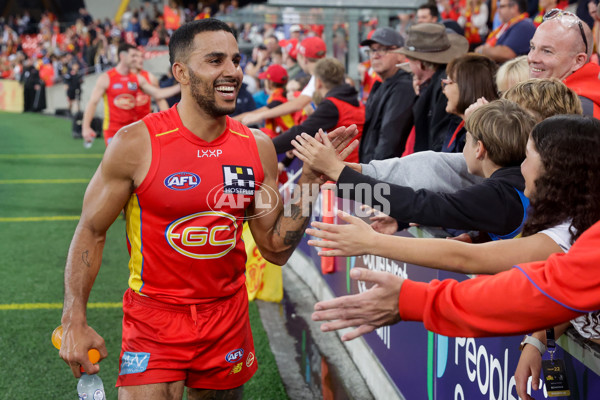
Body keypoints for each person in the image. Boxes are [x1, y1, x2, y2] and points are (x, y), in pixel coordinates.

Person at [58, 19, 356, 400]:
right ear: (180, 72)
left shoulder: (258, 146)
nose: (232, 71)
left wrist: (309, 182)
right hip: (155, 317)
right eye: (215, 60)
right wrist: (73, 318)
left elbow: (275, 248)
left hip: (227, 317)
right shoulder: (136, 143)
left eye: (236, 60)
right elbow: (91, 230)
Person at [307, 117, 600, 400]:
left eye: (528, 156)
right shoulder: (569, 214)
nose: (522, 167)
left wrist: (373, 240)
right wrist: (538, 340)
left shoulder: (503, 195)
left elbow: (459, 250)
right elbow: (565, 288)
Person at [293, 99, 536, 239]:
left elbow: (421, 205)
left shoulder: (498, 194)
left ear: (479, 149)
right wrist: (339, 172)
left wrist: (340, 173)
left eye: (467, 139)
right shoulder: (511, 184)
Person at [81, 43, 180, 146]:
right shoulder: (106, 78)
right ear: (122, 56)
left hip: (136, 128)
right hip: (113, 130)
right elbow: (93, 102)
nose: (137, 59)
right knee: (116, 161)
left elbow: (158, 94)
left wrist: (180, 87)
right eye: (133, 56)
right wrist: (85, 127)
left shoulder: (138, 78)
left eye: (139, 56)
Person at [271, 57, 365, 162]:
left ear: (318, 82)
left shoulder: (332, 105)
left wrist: (266, 145)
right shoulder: (355, 102)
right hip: (353, 167)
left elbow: (301, 133)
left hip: (342, 170)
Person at [395, 23, 468, 153]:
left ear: (420, 64)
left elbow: (437, 145)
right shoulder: (442, 83)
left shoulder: (444, 89)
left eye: (410, 61)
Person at [356, 27, 415, 163]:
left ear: (401, 54)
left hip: (385, 174)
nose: (375, 55)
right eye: (373, 50)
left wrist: (372, 174)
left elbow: (390, 139)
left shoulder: (403, 87)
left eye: (383, 49)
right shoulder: (382, 85)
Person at [241, 36, 327, 127]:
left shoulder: (318, 77)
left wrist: (260, 115)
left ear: (304, 59)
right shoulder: (319, 75)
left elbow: (297, 104)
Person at [439, 53, 498, 152]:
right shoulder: (457, 124)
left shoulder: (487, 137)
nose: (444, 90)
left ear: (467, 87)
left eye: (449, 82)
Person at [234, 63, 295, 137]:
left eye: (265, 79)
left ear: (270, 83)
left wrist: (228, 121)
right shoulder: (283, 95)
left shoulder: (279, 100)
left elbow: (254, 114)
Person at [129, 46, 169, 120]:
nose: (140, 60)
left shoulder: (150, 77)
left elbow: (160, 100)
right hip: (125, 123)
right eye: (137, 57)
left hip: (144, 123)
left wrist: (168, 119)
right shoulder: (122, 77)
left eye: (142, 56)